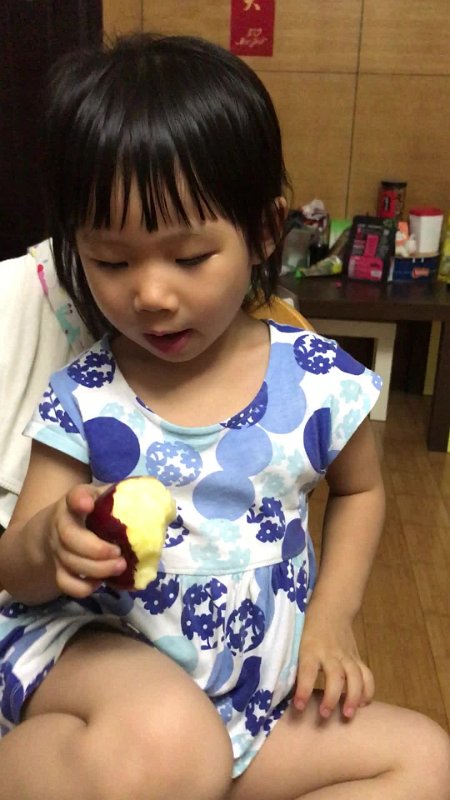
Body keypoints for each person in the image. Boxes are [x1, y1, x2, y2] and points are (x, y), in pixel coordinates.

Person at [0, 33, 448, 800]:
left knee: (426, 760)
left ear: (264, 232)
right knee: (173, 738)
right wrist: (49, 544)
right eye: (111, 262)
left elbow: (362, 491)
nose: (150, 295)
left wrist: (332, 619)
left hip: (252, 696)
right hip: (106, 668)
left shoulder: (315, 378)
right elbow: (14, 567)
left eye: (188, 258)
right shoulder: (85, 395)